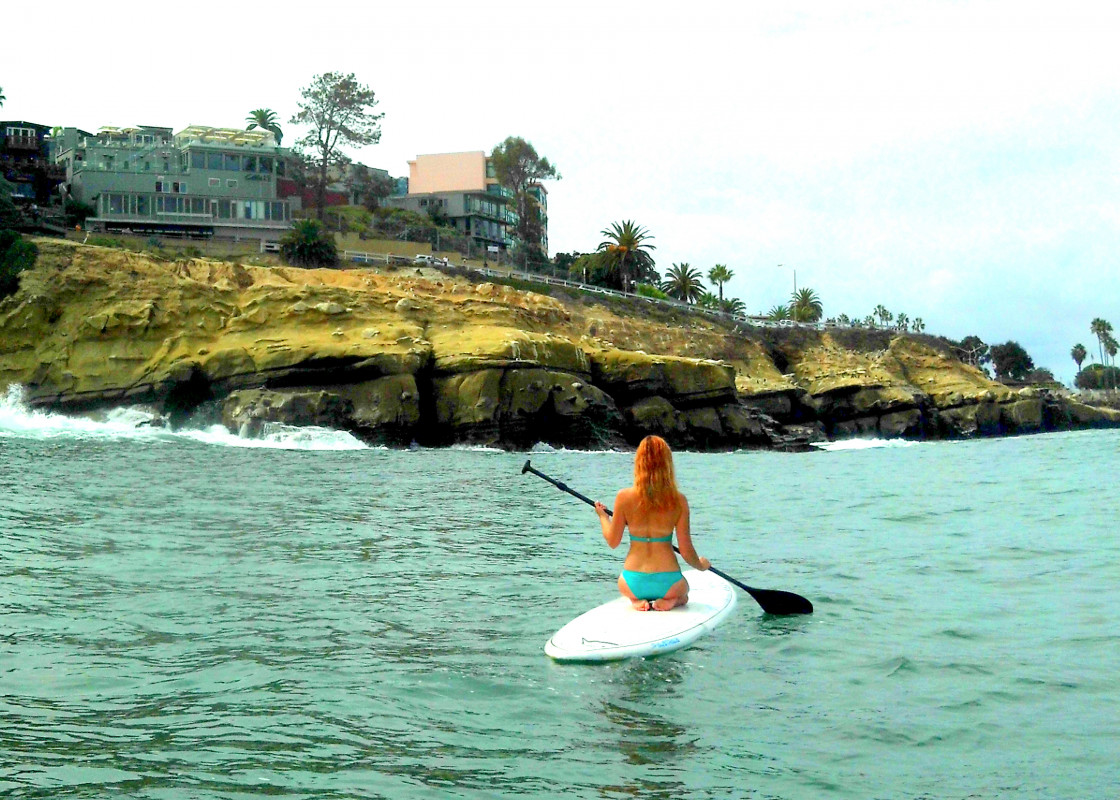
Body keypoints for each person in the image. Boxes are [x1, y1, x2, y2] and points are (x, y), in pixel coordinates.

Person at [595, 435, 710, 611]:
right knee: (684, 594)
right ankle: (672, 601)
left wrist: (603, 517)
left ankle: (636, 601)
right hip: (669, 583)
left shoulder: (623, 497)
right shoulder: (678, 500)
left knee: (631, 590)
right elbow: (686, 551)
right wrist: (701, 565)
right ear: (667, 464)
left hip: (631, 583)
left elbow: (613, 541)